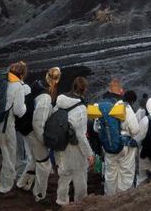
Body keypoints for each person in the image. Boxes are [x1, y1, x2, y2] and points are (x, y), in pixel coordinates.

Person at [94, 79, 140, 196]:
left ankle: (109, 200)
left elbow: (95, 128)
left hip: (108, 147)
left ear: (109, 90)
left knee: (110, 175)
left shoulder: (100, 106)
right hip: (124, 148)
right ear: (121, 91)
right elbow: (135, 129)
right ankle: (122, 201)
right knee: (126, 174)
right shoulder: (125, 107)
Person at [54, 77, 93, 206]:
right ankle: (80, 203)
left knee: (64, 175)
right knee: (80, 175)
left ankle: (61, 201)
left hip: (59, 143)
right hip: (73, 146)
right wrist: (89, 154)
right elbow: (81, 136)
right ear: (84, 89)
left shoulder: (60, 101)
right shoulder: (81, 108)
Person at [0, 61, 27, 194]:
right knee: (9, 156)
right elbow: (18, 111)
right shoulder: (17, 86)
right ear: (22, 73)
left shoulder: (0, 80)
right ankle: (5, 187)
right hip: (5, 125)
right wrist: (25, 108)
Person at [16, 80, 52, 202]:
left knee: (35, 159)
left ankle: (22, 183)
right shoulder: (45, 99)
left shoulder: (34, 96)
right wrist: (42, 139)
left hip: (26, 132)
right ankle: (40, 195)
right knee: (44, 164)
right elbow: (38, 122)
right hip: (34, 134)